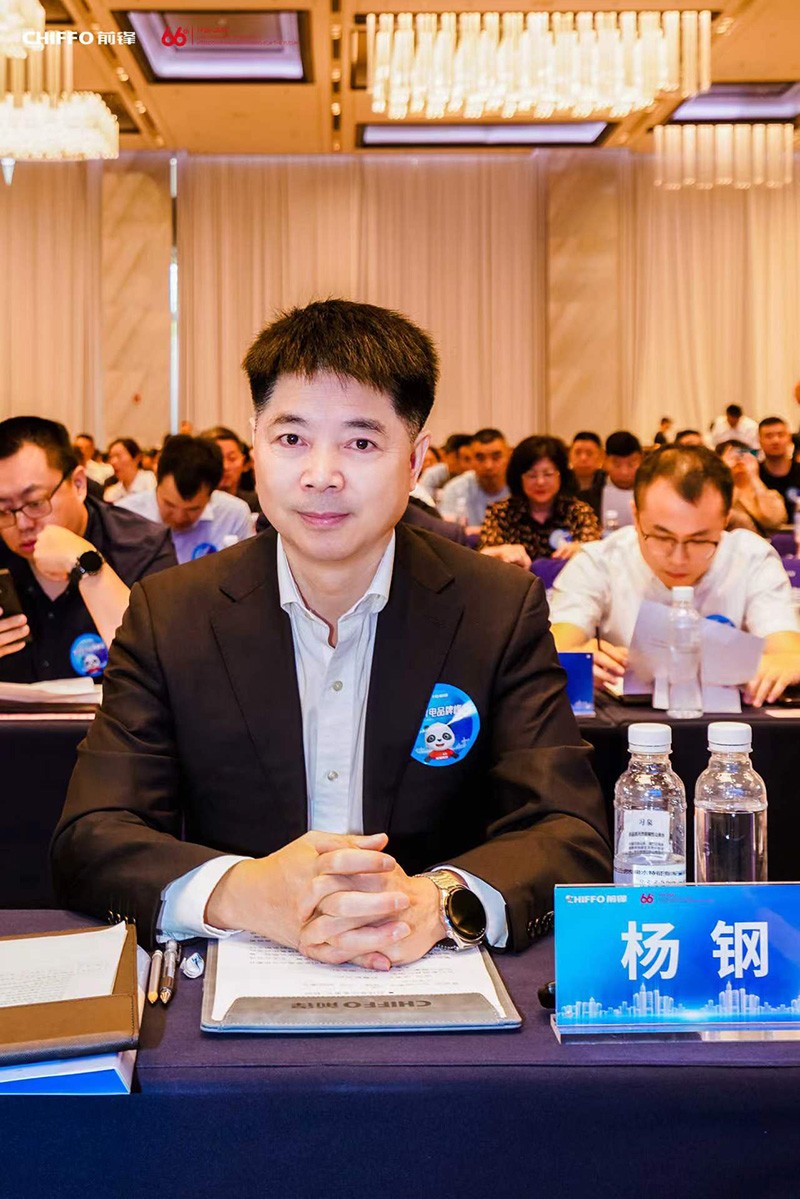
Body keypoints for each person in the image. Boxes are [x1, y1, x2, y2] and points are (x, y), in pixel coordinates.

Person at [52, 298, 611, 965]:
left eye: (361, 442)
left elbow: (568, 830)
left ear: (415, 460)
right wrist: (241, 891)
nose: (321, 475)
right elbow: (92, 834)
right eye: (291, 439)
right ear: (255, 446)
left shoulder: (495, 608)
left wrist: (439, 901)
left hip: (428, 969)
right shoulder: (172, 613)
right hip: (239, 968)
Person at [549, 444, 800, 708]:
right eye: (661, 537)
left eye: (700, 540)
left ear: (725, 520)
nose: (678, 559)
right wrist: (574, 657)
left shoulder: (750, 558)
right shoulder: (599, 561)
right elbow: (558, 643)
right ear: (635, 516)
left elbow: (787, 649)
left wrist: (785, 662)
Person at [0, 417, 176, 683]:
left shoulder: (143, 547)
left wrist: (85, 563)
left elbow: (166, 668)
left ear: (78, 484)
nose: (22, 524)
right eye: (3, 510)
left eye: (35, 503)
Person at [117, 434, 254, 563]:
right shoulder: (124, 516)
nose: (179, 518)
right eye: (169, 504)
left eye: (193, 509)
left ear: (211, 494)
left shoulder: (233, 515)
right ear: (157, 480)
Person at [478, 435, 601, 569]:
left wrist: (581, 549)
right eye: (532, 475)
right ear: (519, 478)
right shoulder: (501, 512)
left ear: (561, 476)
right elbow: (481, 558)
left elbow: (598, 554)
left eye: (548, 474)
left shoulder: (578, 512)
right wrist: (501, 551)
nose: (540, 482)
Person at [438, 428, 511, 532]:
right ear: (471, 460)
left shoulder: (521, 487)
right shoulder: (455, 489)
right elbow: (446, 532)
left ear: (509, 456)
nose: (488, 466)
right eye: (480, 458)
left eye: (496, 457)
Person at [716, 439, 786, 537]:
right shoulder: (716, 495)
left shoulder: (769, 494)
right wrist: (725, 474)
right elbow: (717, 517)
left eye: (743, 456)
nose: (739, 461)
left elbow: (775, 521)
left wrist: (754, 476)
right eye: (732, 457)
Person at [587, 431, 642, 530]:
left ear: (642, 460)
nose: (624, 472)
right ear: (605, 460)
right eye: (617, 464)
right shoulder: (591, 494)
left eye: (631, 464)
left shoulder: (652, 492)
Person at [201, 425, 261, 513]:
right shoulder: (192, 506)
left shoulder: (260, 504)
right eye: (218, 458)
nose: (225, 466)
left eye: (232, 458)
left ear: (244, 462)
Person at [758, 417, 800, 514]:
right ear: (759, 441)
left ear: (789, 438)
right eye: (769, 436)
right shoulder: (754, 475)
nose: (775, 441)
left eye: (781, 435)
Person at [104, 438, 157, 503]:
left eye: (118, 456)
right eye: (111, 457)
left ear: (136, 458)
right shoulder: (111, 494)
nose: (113, 462)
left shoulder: (149, 480)